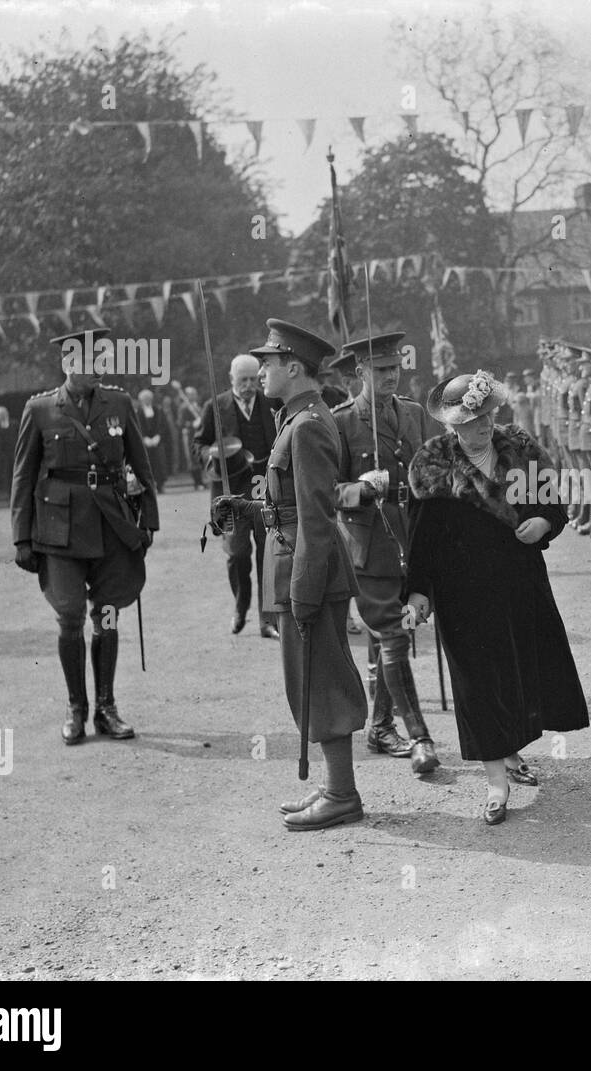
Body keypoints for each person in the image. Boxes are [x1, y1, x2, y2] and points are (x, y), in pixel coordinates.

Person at [406, 369, 589, 824]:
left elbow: (553, 504)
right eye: (470, 422)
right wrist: (417, 594)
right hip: (460, 595)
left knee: (518, 672)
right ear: (451, 424)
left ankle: (510, 752)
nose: (482, 427)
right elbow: (421, 542)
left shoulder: (522, 451)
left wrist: (544, 523)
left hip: (519, 583)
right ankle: (495, 782)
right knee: (477, 684)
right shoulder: (431, 466)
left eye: (486, 417)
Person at [213, 319, 370, 831]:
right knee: (308, 678)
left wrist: (303, 591)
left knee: (322, 681)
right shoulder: (295, 418)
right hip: (297, 566)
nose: (260, 373)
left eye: (268, 364)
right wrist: (245, 506)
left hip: (310, 573)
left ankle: (343, 794)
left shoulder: (305, 425)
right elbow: (287, 507)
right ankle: (333, 787)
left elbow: (318, 518)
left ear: (294, 368)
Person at [10, 328, 159, 744]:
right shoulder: (40, 409)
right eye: (88, 362)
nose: (97, 369)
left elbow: (140, 464)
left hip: (111, 526)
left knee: (108, 614)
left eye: (102, 362)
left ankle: (106, 708)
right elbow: (23, 477)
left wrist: (147, 519)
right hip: (59, 531)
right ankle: (77, 708)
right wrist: (22, 537)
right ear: (68, 364)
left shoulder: (119, 403)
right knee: (71, 616)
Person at [326, 331, 442, 774]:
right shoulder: (341, 422)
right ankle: (421, 739)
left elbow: (430, 474)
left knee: (393, 637)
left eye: (394, 368)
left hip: (412, 541)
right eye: (380, 370)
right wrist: (360, 488)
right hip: (369, 546)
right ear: (360, 373)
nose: (390, 376)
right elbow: (325, 490)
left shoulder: (413, 414)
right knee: (394, 637)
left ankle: (380, 727)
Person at [193, 353, 279, 638]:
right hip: (229, 494)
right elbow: (199, 444)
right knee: (237, 554)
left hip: (264, 490)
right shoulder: (215, 407)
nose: (249, 385)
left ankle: (268, 618)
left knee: (269, 552)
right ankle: (241, 606)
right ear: (232, 379)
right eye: (243, 380)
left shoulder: (271, 402)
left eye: (254, 379)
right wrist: (212, 456)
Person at [136, 389, 169, 494]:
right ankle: (150, 486)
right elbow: (137, 427)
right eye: (145, 399)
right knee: (148, 464)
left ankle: (160, 485)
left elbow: (163, 425)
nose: (147, 400)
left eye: (148, 398)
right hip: (144, 443)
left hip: (157, 441)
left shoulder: (158, 410)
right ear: (141, 400)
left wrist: (158, 437)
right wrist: (144, 438)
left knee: (160, 463)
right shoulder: (138, 412)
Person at [0, 406, 18, 500]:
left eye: (3, 414)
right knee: (6, 477)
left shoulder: (15, 424)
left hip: (14, 454)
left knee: (16, 475)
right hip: (2, 457)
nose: (1, 416)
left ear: (7, 413)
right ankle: (9, 496)